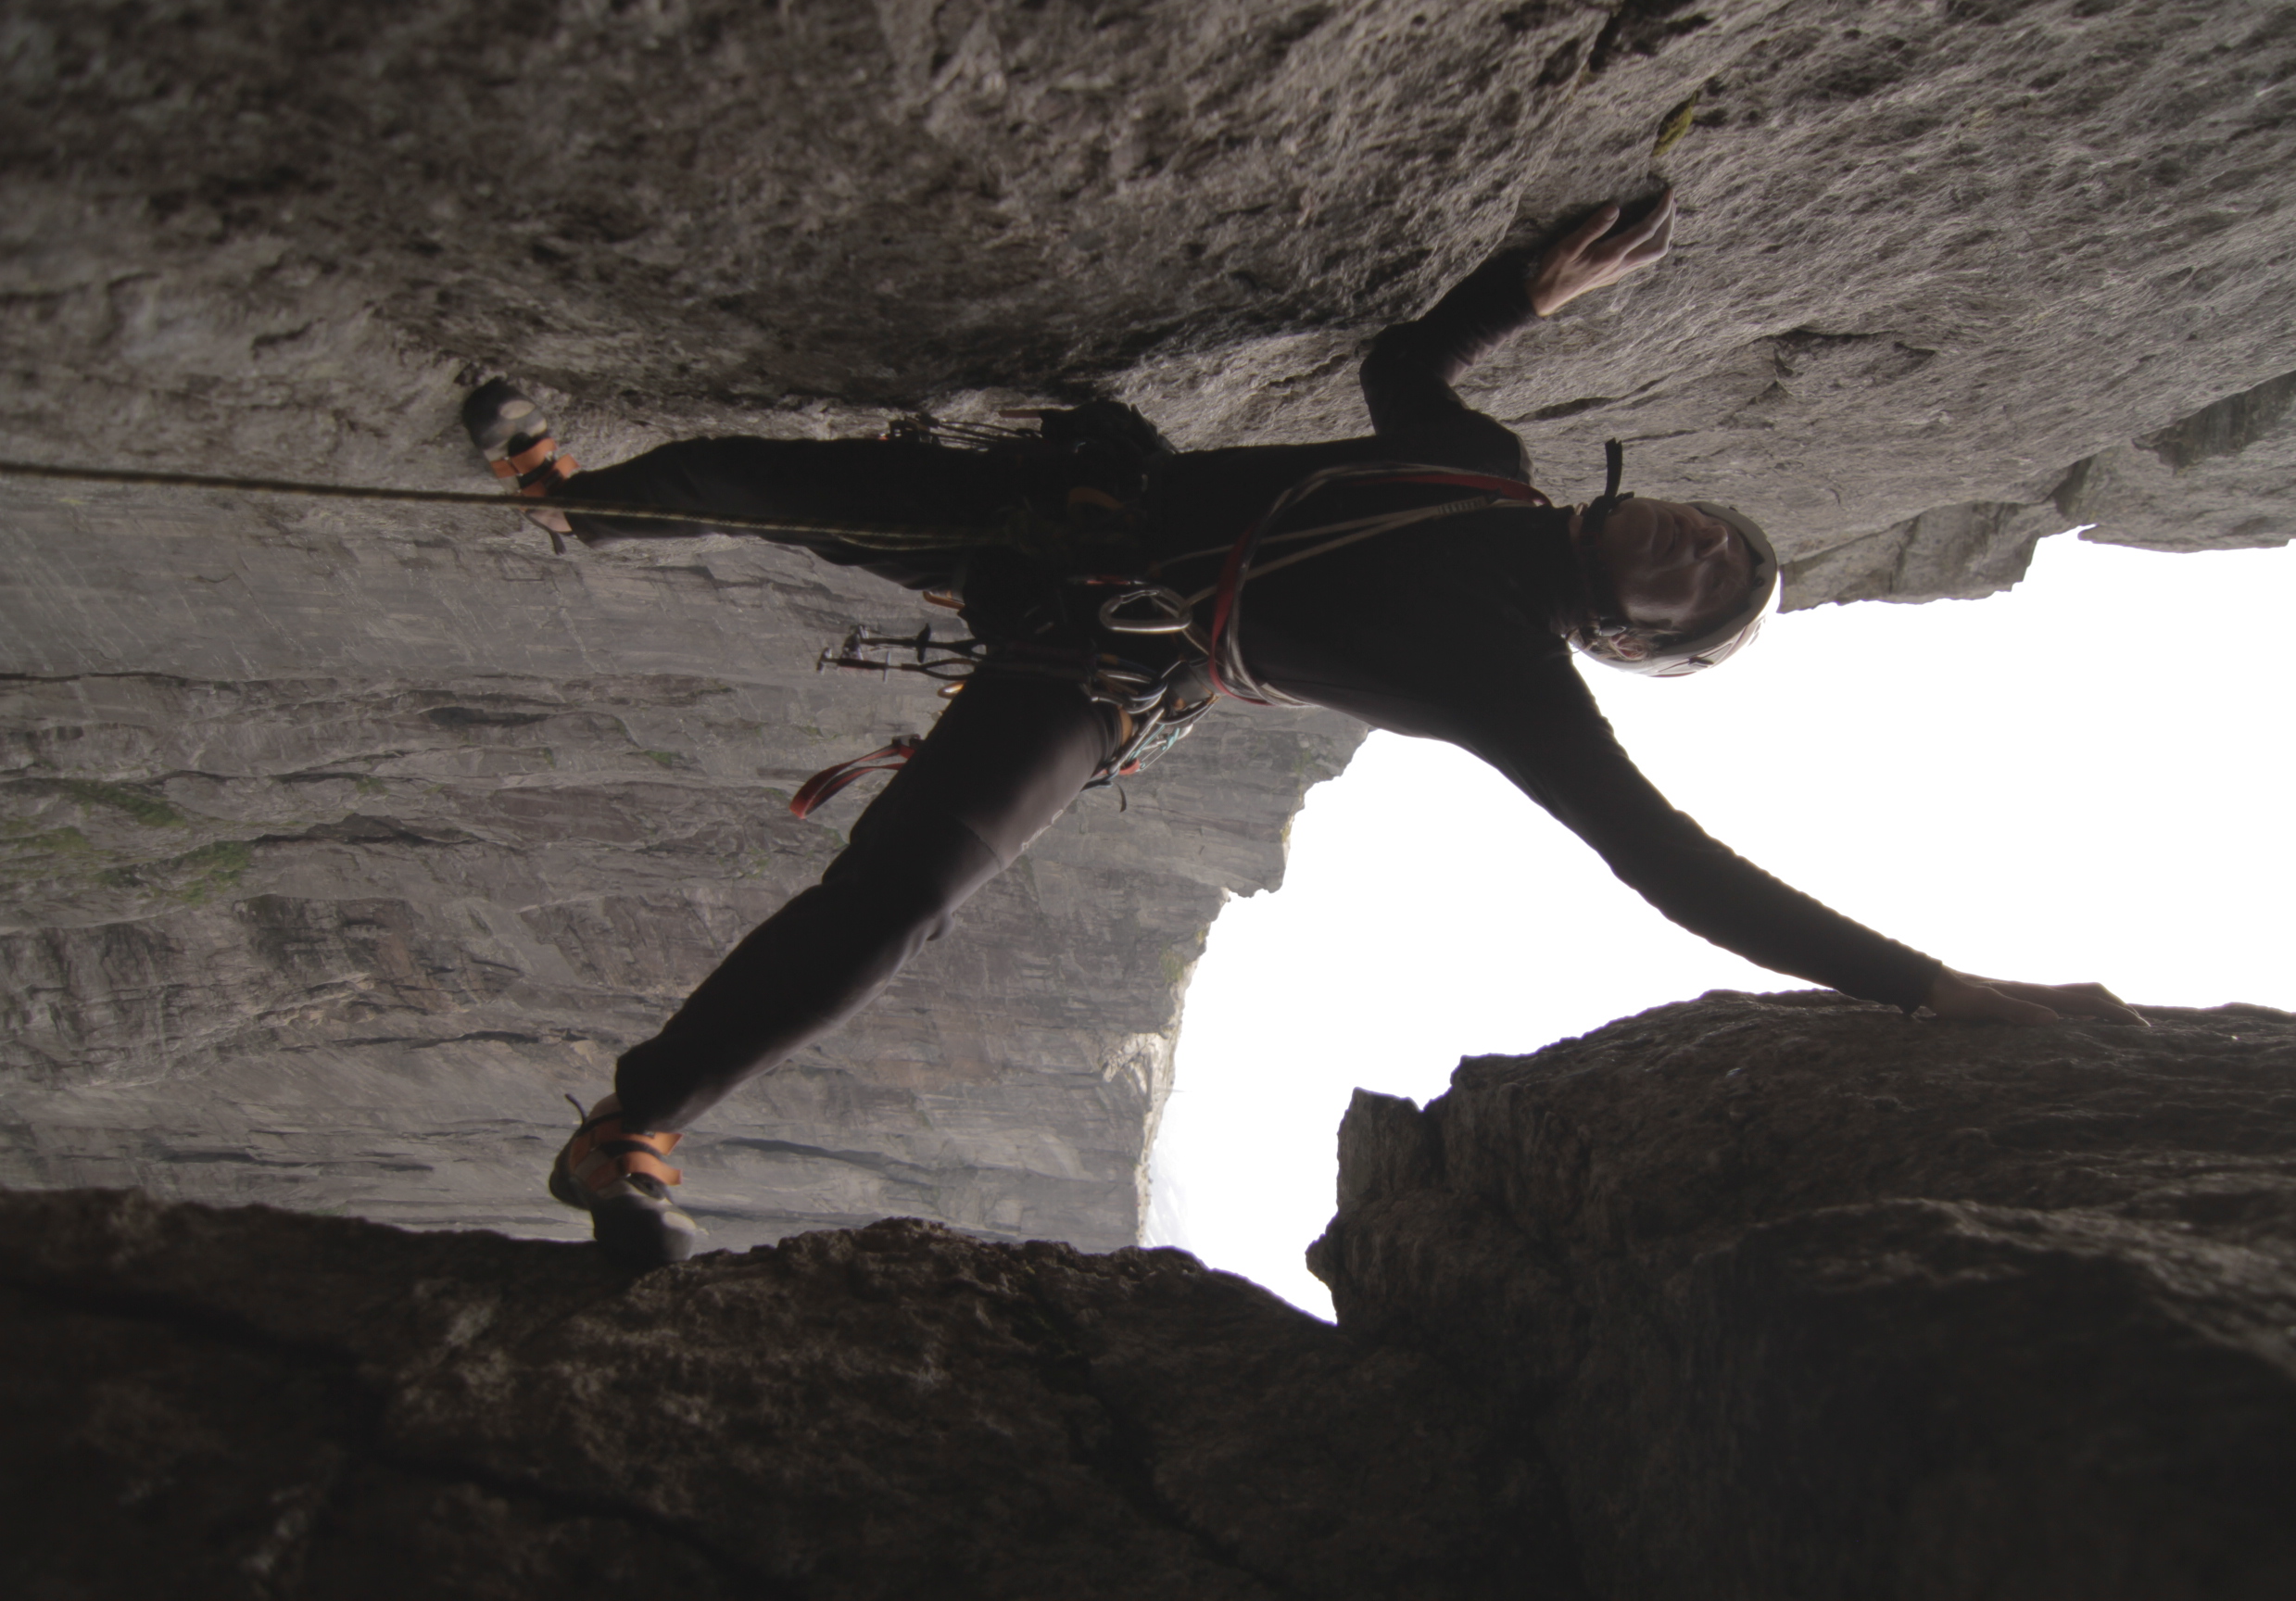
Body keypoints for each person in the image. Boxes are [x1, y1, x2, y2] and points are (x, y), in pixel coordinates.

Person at [470, 193, 2143, 1267]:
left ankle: (639, 1125)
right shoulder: (1477, 468)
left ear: (1634, 643)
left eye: (1703, 589)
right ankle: (576, 508)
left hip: (1106, 661)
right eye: (1715, 533)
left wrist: (1928, 986)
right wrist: (1533, 285)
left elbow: (1670, 865)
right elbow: (1407, 357)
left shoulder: (1516, 682)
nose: (1700, 550)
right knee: (743, 482)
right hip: (1062, 526)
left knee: (903, 895)